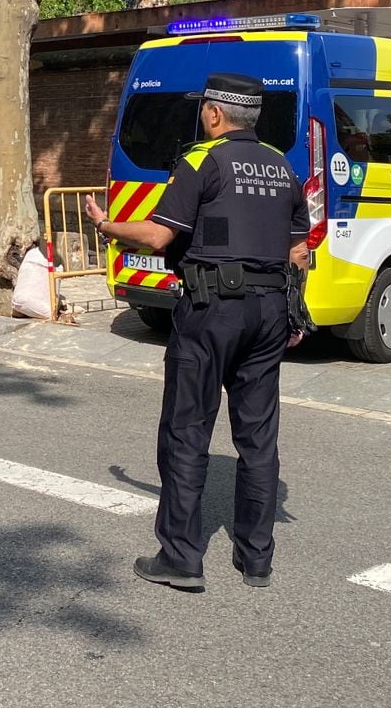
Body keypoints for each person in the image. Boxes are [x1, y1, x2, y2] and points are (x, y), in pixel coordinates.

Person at [85, 72, 308, 593]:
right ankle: (256, 558)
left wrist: (109, 226)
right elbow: (300, 250)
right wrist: (292, 311)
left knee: (187, 431)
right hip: (270, 312)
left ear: (214, 114)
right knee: (258, 437)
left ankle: (183, 557)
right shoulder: (282, 166)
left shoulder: (200, 160)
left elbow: (161, 234)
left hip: (211, 310)